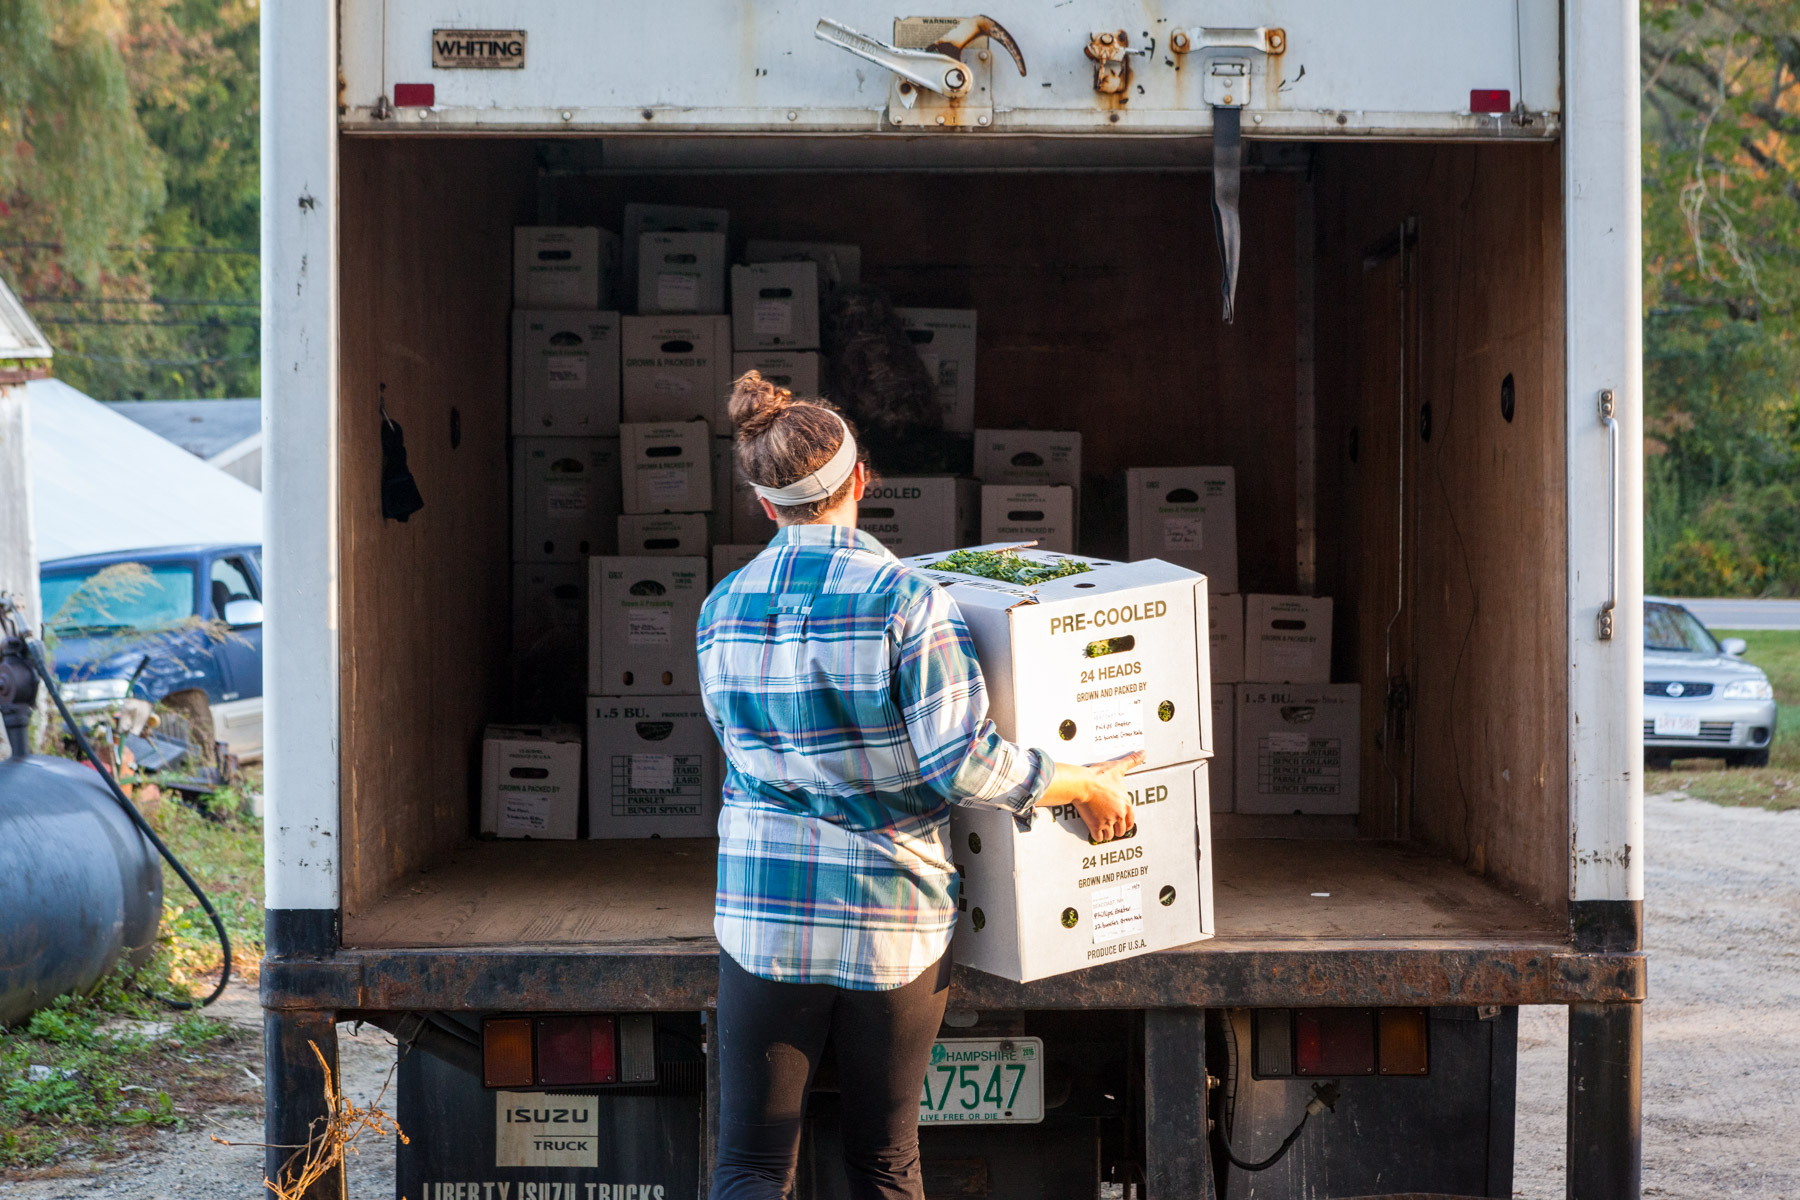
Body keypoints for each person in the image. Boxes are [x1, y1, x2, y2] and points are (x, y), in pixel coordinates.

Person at [697, 371, 1142, 1200]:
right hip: (888, 917)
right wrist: (1079, 781)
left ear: (765, 504)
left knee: (751, 1166)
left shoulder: (721, 607)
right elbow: (964, 766)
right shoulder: (908, 602)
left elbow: (739, 753)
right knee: (884, 1161)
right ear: (861, 480)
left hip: (763, 915)